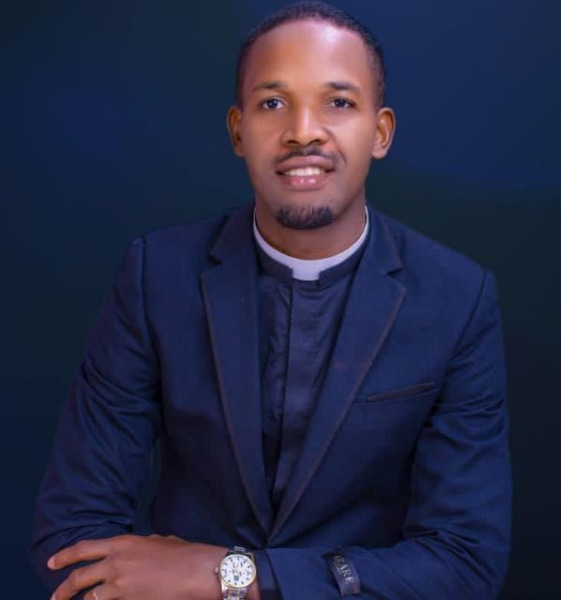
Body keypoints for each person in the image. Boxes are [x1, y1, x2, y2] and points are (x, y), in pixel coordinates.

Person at [31, 2, 512, 599]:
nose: (303, 131)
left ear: (381, 132)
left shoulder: (457, 299)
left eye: (339, 102)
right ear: (238, 131)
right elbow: (73, 537)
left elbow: (464, 564)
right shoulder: (156, 276)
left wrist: (232, 578)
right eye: (273, 103)